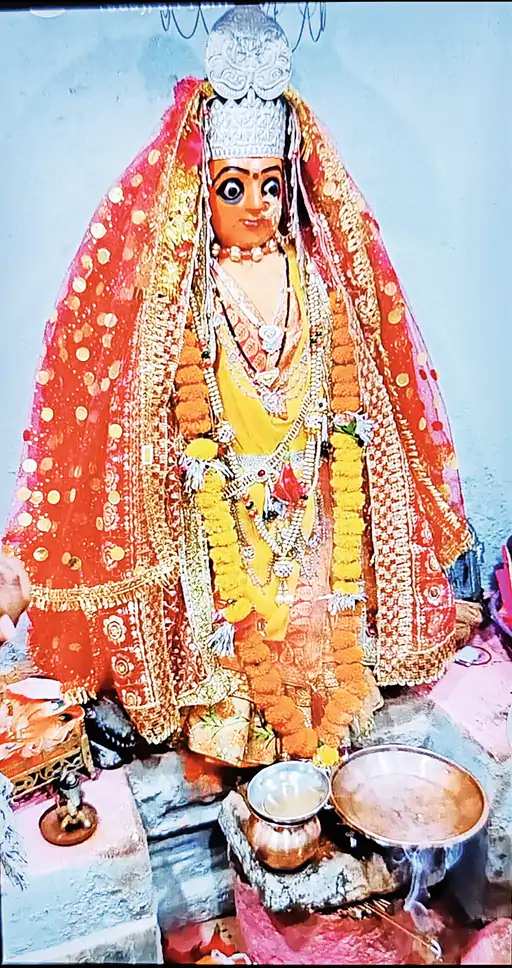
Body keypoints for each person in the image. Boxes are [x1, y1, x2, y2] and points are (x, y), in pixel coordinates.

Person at [1, 6, 474, 765]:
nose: (257, 204)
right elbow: (140, 408)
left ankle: (324, 709)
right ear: (201, 193)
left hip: (311, 502)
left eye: (271, 185)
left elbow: (343, 391)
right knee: (237, 622)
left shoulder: (312, 275)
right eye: (233, 187)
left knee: (318, 624)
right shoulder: (189, 287)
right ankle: (240, 717)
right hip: (220, 502)